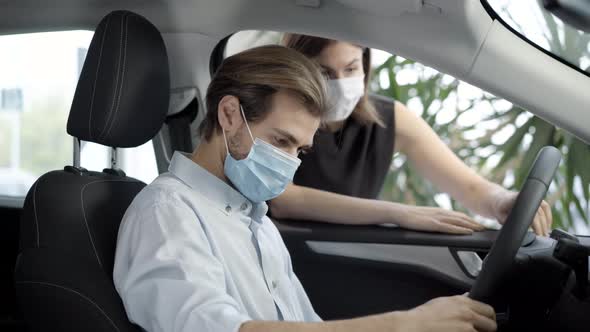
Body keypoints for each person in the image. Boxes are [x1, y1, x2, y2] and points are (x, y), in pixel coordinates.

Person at [113, 45, 497, 332]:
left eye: (300, 149)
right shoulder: (166, 213)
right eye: (280, 141)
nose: (290, 163)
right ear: (229, 115)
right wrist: (402, 325)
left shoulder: (255, 220)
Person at [272, 33, 553, 236]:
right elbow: (283, 199)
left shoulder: (388, 118)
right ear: (299, 69)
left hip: (353, 251)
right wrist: (399, 213)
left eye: (351, 68)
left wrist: (501, 201)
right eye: (325, 72)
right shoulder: (279, 115)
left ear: (365, 65)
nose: (342, 83)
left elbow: (471, 188)